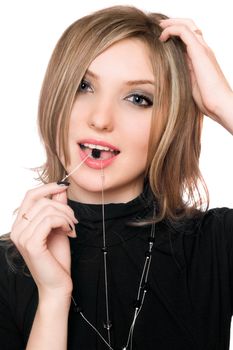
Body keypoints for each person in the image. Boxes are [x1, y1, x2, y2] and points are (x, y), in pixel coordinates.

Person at [0, 5, 233, 350]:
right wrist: (53, 298)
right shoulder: (6, 272)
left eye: (139, 98)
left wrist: (222, 103)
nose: (100, 118)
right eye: (84, 86)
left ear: (171, 121)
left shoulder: (216, 244)